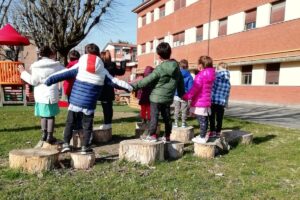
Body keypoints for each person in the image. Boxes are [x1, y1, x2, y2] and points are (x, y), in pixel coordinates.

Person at [45, 43, 132, 154]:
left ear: (86, 53)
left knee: (70, 123)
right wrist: (129, 88)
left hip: (75, 101)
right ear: (98, 54)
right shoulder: (102, 69)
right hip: (89, 103)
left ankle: (66, 143)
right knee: (87, 126)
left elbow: (64, 74)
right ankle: (85, 147)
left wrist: (48, 80)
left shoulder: (81, 64)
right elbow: (115, 82)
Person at [131, 42, 185, 143]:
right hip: (168, 98)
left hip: (156, 98)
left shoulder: (160, 68)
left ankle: (153, 135)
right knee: (167, 117)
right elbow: (180, 83)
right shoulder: (177, 68)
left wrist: (133, 86)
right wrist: (182, 94)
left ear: (159, 56)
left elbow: (147, 80)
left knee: (154, 116)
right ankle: (167, 136)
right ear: (170, 53)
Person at [18, 46, 64, 146]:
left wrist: (23, 72)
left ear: (40, 54)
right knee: (51, 116)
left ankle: (44, 135)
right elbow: (65, 72)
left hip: (40, 94)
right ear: (51, 54)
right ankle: (49, 136)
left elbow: (33, 81)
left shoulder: (36, 66)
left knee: (43, 116)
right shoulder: (56, 65)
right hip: (51, 94)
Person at [183, 56, 215, 144]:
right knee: (204, 120)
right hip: (206, 101)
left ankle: (202, 137)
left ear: (201, 65)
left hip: (200, 101)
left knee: (201, 120)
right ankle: (203, 135)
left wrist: (187, 96)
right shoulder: (211, 74)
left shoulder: (201, 75)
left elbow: (195, 88)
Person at [98, 50, 126, 130]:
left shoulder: (101, 66)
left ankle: (107, 123)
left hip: (103, 90)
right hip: (110, 89)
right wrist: (123, 62)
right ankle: (108, 123)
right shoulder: (112, 65)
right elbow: (121, 72)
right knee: (109, 107)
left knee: (106, 108)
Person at [209, 62, 231, 137]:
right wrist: (226, 103)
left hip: (213, 101)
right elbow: (227, 93)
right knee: (219, 118)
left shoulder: (215, 78)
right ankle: (218, 132)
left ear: (218, 68)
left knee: (211, 117)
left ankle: (212, 131)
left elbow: (211, 89)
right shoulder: (228, 82)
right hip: (221, 102)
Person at [173, 59, 193, 128]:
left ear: (179, 66)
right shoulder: (189, 76)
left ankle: (175, 123)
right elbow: (190, 88)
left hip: (176, 94)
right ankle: (183, 123)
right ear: (187, 66)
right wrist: (190, 98)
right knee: (184, 110)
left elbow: (174, 84)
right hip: (185, 95)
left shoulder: (176, 75)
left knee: (176, 109)